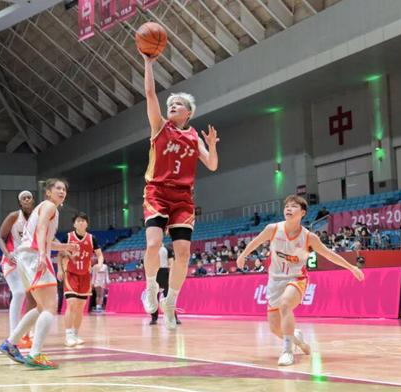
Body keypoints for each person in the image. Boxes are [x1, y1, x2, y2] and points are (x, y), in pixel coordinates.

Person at [139, 48, 220, 330]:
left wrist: (211, 146)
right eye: (171, 103)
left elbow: (212, 165)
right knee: (153, 244)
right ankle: (151, 286)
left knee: (183, 253)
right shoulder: (159, 126)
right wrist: (148, 64)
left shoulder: (193, 136)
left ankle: (171, 301)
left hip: (183, 198)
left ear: (188, 112)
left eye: (178, 104)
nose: (172, 106)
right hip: (157, 191)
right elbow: (150, 94)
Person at [237, 195, 364, 366]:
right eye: (286, 206)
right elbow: (256, 241)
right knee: (275, 328)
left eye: (293, 206)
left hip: (297, 278)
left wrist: (351, 267)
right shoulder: (272, 229)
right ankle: (298, 340)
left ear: (303, 212)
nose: (288, 209)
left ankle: (287, 352)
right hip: (275, 281)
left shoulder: (309, 237)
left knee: (285, 305)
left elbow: (328, 254)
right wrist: (243, 255)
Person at [0, 179, 79, 370]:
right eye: (58, 188)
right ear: (48, 192)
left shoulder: (43, 208)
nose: (62, 191)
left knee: (41, 306)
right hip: (34, 256)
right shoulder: (50, 206)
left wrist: (65, 246)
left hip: (26, 257)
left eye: (64, 189)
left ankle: (11, 343)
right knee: (50, 307)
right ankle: (35, 354)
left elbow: (45, 238)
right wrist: (43, 254)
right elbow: (42, 228)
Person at [57, 212, 103, 347]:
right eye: (78, 220)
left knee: (80, 307)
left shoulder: (92, 238)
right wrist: (60, 270)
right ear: (74, 224)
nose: (81, 222)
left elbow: (100, 255)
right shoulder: (68, 237)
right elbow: (60, 254)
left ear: (87, 223)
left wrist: (99, 264)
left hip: (85, 276)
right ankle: (68, 336)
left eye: (83, 220)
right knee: (71, 304)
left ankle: (76, 334)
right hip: (71, 274)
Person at [0, 190, 36, 348]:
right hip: (12, 259)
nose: (26, 199)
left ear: (32, 201)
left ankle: (25, 334)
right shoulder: (14, 216)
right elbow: (0, 237)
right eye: (23, 198)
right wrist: (7, 254)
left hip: (28, 261)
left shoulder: (37, 217)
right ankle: (13, 335)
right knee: (19, 293)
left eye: (29, 197)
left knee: (33, 299)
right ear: (20, 202)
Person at [149, 245, 181, 326]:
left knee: (169, 296)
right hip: (154, 273)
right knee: (154, 297)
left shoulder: (168, 249)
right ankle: (154, 318)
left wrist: (171, 275)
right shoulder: (151, 249)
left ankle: (173, 317)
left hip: (165, 273)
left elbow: (171, 263)